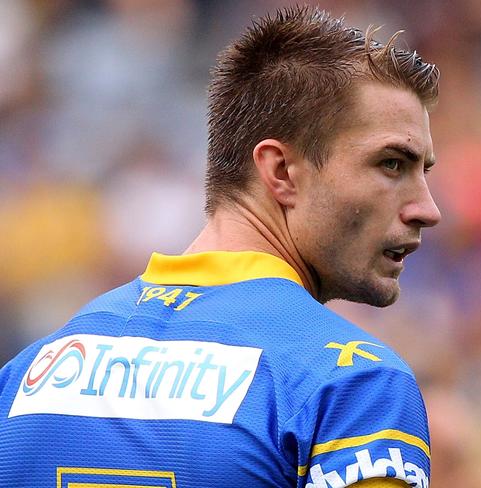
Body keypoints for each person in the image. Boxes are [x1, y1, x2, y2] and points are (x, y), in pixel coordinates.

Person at [0, 6, 440, 487]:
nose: (427, 208)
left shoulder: (26, 377)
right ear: (280, 172)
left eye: (423, 170)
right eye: (392, 164)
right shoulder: (352, 385)